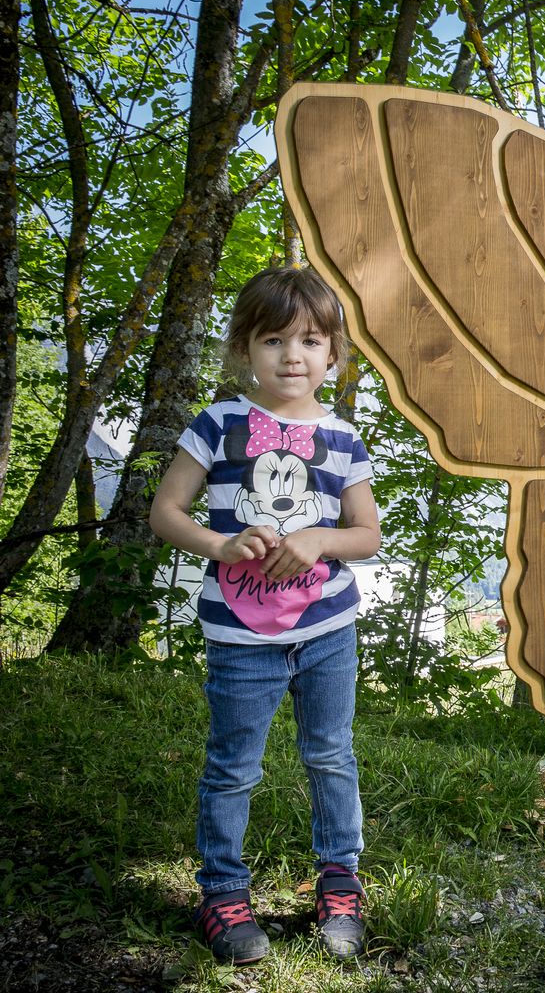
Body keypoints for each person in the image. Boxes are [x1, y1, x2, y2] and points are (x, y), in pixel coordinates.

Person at [150, 266, 382, 963]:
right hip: (239, 634)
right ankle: (223, 892)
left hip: (327, 630)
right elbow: (166, 511)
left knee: (330, 756)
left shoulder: (343, 440)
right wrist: (221, 543)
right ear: (242, 349)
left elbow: (366, 535)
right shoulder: (216, 426)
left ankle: (339, 883)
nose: (292, 356)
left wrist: (317, 537)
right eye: (274, 339)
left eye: (311, 341)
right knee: (233, 767)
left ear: (333, 355)